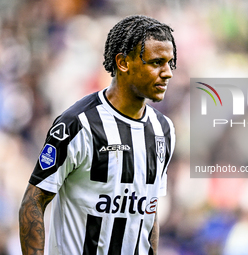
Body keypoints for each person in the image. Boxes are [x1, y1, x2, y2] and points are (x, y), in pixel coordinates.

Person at [19, 14, 176, 255]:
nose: (167, 73)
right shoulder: (77, 124)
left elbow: (148, 213)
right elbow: (33, 202)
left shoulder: (163, 130)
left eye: (169, 63)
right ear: (123, 63)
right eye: (156, 62)